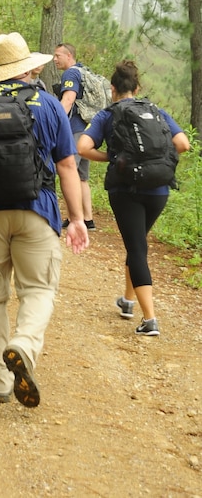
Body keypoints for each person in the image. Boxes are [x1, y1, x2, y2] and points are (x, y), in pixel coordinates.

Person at [0, 32, 89, 406]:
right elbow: (67, 166)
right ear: (29, 67)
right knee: (38, 290)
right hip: (37, 211)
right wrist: (75, 219)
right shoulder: (50, 105)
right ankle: (24, 345)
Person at [76, 60, 189, 336]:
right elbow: (183, 144)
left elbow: (82, 146)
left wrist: (112, 158)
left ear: (113, 89)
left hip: (126, 191)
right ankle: (128, 301)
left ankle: (149, 319)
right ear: (137, 88)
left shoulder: (108, 115)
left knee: (137, 249)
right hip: (159, 189)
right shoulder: (156, 111)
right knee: (136, 243)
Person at [53, 42, 95, 230]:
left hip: (75, 129)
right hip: (88, 131)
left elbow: (68, 100)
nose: (55, 59)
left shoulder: (70, 73)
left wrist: (56, 123)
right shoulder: (84, 71)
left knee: (69, 171)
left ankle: (73, 217)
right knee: (82, 177)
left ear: (69, 55)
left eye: (58, 56)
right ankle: (88, 219)